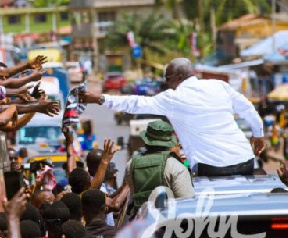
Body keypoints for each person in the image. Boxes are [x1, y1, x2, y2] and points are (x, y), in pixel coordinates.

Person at [80, 58, 265, 176]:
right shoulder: (219, 86)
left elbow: (135, 103)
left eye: (167, 79)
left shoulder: (173, 98)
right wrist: (258, 134)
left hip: (211, 168)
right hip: (245, 161)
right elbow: (247, 108)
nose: (167, 84)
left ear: (177, 77)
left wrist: (99, 98)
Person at [125, 120, 195, 209]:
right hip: (167, 221)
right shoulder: (176, 167)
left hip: (141, 221)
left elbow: (132, 195)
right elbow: (186, 204)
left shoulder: (131, 164)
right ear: (170, 144)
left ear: (146, 142)